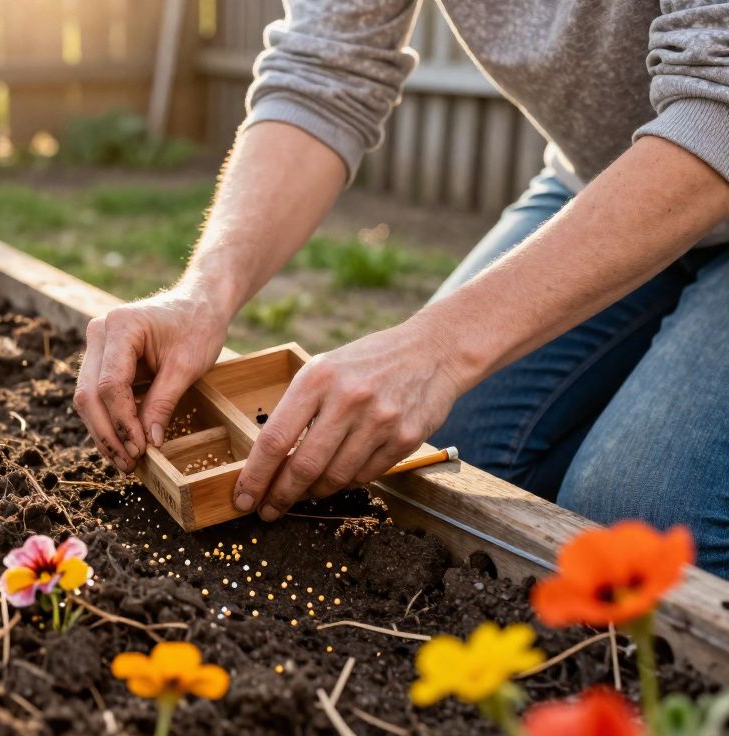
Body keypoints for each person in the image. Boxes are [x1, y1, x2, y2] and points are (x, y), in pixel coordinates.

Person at [73, 0, 729, 576]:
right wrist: (203, 292)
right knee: (460, 459)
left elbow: (718, 103)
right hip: (604, 177)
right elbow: (324, 72)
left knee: (642, 521)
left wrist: (438, 349)